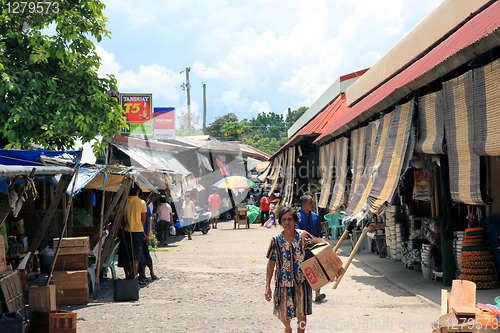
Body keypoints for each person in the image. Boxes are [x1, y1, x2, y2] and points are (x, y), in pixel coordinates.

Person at [265, 207, 312, 333]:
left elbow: (317, 251)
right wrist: (267, 286)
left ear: (295, 220)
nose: (287, 222)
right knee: (284, 314)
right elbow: (271, 264)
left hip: (301, 283)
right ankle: (288, 328)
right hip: (283, 284)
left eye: (290, 219)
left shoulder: (303, 236)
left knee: (302, 313)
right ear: (280, 222)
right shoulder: (276, 240)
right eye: (284, 219)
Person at [296, 194, 325, 302]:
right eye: (310, 203)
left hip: (315, 247)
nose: (313, 205)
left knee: (318, 269)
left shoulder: (315, 216)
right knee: (305, 271)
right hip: (303, 249)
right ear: (304, 204)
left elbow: (320, 231)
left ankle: (317, 293)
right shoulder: (297, 217)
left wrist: (318, 241)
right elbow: (297, 232)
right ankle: (303, 295)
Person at [123, 182, 147, 282]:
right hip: (138, 231)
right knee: (136, 255)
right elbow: (143, 220)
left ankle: (130, 276)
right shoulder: (141, 202)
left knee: (129, 255)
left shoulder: (124, 202)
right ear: (138, 191)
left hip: (127, 231)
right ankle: (134, 277)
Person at [139, 199, 159, 285]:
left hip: (141, 234)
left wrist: (147, 235)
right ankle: (144, 275)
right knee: (143, 255)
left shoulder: (146, 207)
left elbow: (148, 223)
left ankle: (150, 273)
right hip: (141, 234)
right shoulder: (144, 207)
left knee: (145, 254)